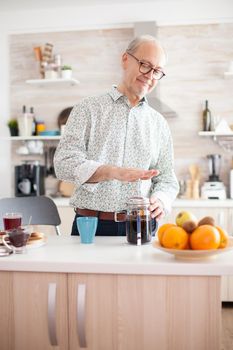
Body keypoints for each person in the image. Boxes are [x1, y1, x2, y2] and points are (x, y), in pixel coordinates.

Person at [54, 34, 179, 236]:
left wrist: (162, 200)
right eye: (144, 65)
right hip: (92, 226)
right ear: (125, 59)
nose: (149, 75)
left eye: (157, 71)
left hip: (142, 225)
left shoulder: (159, 123)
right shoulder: (87, 109)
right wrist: (111, 172)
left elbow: (167, 179)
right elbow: (63, 163)